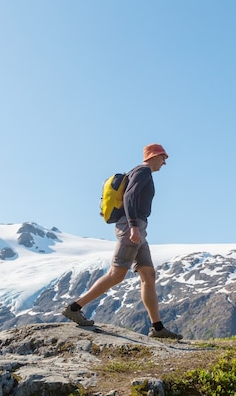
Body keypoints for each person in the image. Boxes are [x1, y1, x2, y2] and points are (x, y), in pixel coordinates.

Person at [62, 143, 182, 339]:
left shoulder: (142, 172)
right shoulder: (143, 171)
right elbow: (130, 196)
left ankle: (158, 328)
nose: (165, 162)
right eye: (163, 157)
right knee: (116, 274)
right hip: (131, 227)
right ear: (153, 156)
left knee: (148, 275)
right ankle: (74, 308)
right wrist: (133, 226)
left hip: (137, 228)